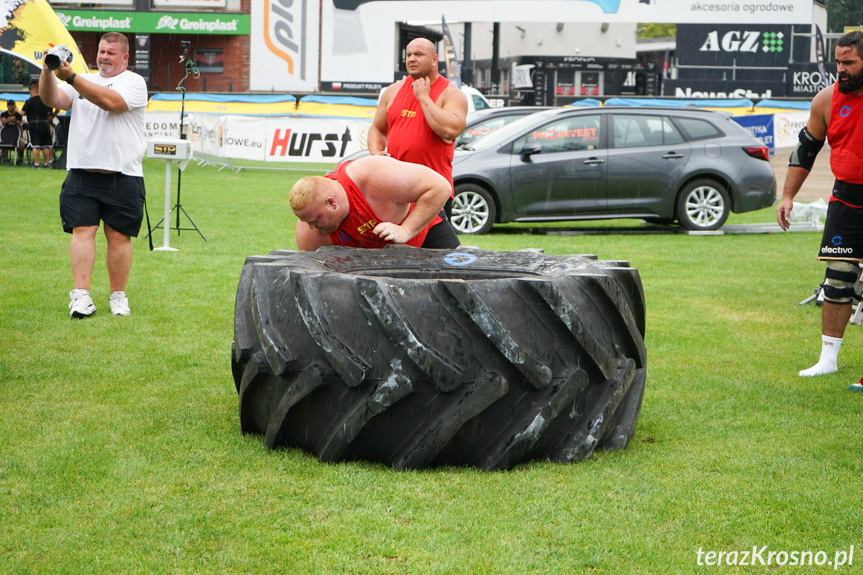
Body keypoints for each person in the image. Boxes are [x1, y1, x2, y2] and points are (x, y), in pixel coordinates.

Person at [39, 32, 148, 318]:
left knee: (119, 237)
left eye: (111, 52)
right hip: (82, 170)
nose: (104, 57)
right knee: (82, 232)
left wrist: (72, 77)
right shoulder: (83, 78)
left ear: (126, 57)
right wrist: (48, 71)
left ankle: (118, 297)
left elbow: (110, 102)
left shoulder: (134, 82)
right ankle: (81, 297)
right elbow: (54, 99)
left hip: (123, 173)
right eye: (101, 51)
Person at [776, 30, 863, 387]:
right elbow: (805, 151)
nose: (840, 69)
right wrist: (787, 196)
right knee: (838, 280)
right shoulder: (826, 100)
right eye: (838, 62)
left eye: (849, 63)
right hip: (845, 198)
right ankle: (827, 360)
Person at [368, 37, 467, 218]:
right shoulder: (393, 91)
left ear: (434, 59)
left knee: (436, 247)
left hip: (433, 192)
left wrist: (423, 97)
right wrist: (377, 155)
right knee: (394, 243)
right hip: (397, 190)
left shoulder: (451, 93)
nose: (412, 59)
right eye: (409, 54)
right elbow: (377, 129)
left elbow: (450, 130)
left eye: (419, 54)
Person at [290, 155, 460, 251]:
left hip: (424, 231)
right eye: (307, 221)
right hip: (376, 259)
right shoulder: (309, 233)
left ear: (331, 203)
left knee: (458, 280)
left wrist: (406, 230)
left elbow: (440, 187)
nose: (311, 227)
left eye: (315, 220)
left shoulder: (372, 177)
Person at [22, 80, 56, 169]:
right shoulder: (45, 100)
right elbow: (53, 110)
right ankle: (46, 163)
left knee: (36, 145)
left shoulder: (29, 101)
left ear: (31, 92)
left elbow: (23, 112)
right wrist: (53, 115)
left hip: (34, 124)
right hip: (45, 123)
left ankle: (36, 164)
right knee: (45, 145)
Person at [0, 99, 25, 165]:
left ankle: (20, 158)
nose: (11, 106)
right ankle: (5, 159)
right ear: (7, 106)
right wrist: (9, 119)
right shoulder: (3, 114)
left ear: (15, 106)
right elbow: (3, 121)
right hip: (5, 135)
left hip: (17, 135)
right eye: (9, 105)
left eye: (12, 105)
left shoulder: (18, 115)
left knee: (21, 144)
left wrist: (12, 121)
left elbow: (19, 123)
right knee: (2, 143)